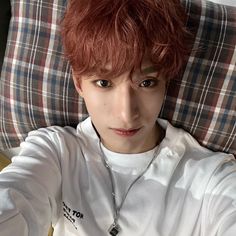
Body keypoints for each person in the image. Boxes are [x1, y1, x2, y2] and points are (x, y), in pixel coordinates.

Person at [0, 0, 235, 235]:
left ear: (166, 82)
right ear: (79, 82)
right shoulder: (57, 152)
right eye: (103, 83)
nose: (126, 113)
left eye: (146, 83)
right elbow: (15, 198)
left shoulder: (211, 177)